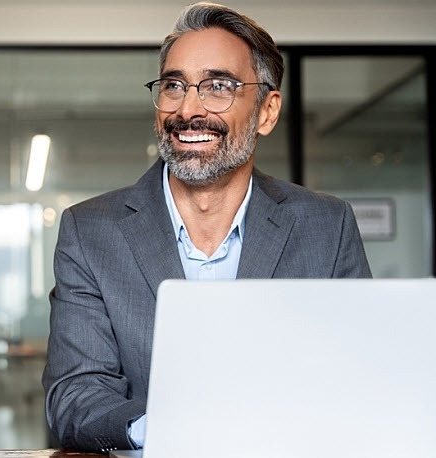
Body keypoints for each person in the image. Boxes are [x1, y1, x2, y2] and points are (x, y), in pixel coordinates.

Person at [41, 1, 372, 453]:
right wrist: (172, 428)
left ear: (266, 112)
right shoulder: (90, 231)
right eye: (174, 85)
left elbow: (358, 379)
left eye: (218, 86)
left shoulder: (326, 226)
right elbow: (74, 397)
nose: (188, 109)